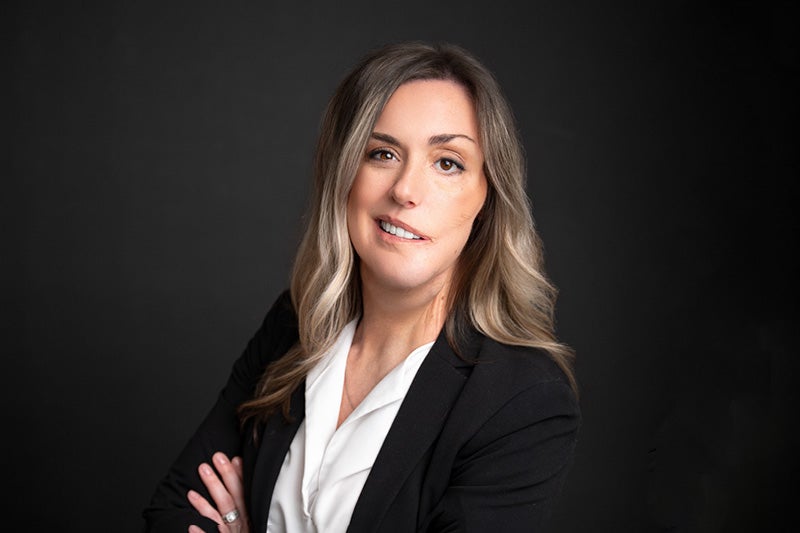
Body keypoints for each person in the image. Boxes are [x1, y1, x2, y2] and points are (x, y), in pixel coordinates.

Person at [143, 41, 580, 533]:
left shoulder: (522, 399)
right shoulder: (296, 324)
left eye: (447, 162)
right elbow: (170, 514)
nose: (405, 190)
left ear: (487, 198)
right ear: (344, 174)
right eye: (383, 153)